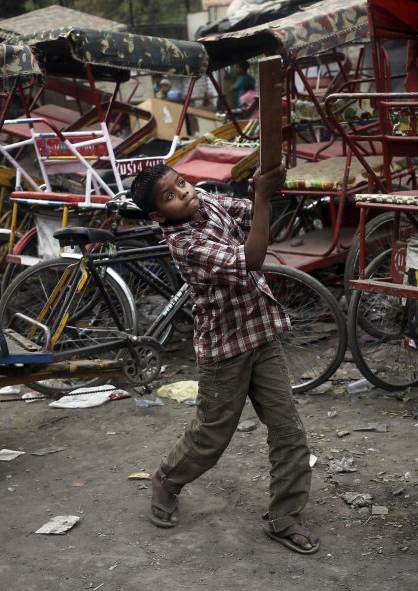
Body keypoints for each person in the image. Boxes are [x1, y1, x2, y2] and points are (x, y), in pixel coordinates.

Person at [130, 163, 320, 555]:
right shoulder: (184, 242)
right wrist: (264, 199)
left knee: (288, 429)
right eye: (170, 196)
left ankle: (285, 517)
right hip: (223, 349)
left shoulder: (206, 202)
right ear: (157, 215)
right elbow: (250, 257)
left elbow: (253, 214)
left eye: (179, 183)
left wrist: (263, 188)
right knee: (212, 435)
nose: (183, 192)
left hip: (260, 332)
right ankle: (167, 479)